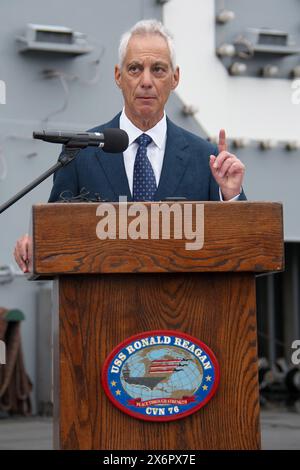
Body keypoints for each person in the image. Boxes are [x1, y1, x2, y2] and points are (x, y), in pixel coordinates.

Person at [14, 19, 246, 272]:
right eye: (135, 68)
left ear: (175, 78)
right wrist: (37, 243)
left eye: (158, 69)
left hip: (181, 307)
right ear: (118, 76)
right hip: (103, 307)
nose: (146, 81)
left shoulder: (207, 158)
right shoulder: (82, 152)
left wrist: (231, 195)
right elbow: (56, 233)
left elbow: (242, 244)